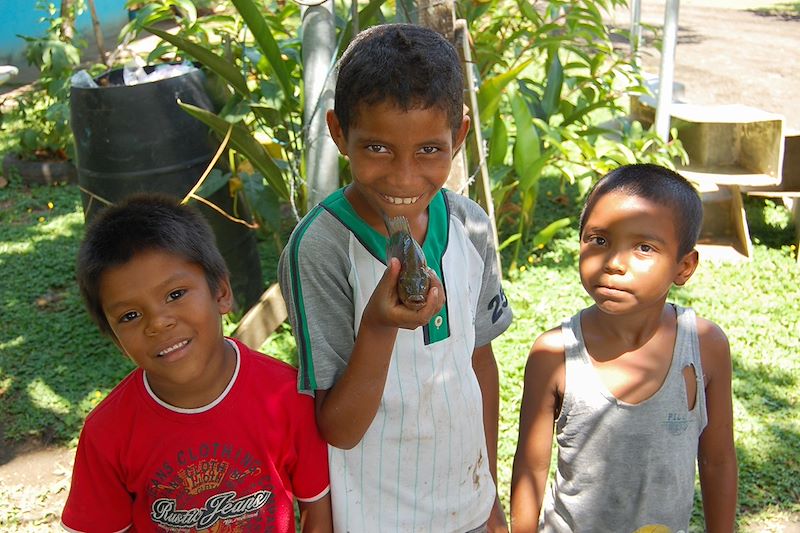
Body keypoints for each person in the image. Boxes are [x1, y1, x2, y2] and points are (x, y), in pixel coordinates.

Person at [278, 23, 513, 533]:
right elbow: (337, 428)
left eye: (430, 149)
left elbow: (479, 363)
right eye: (378, 148)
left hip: (466, 506)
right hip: (374, 516)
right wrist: (380, 328)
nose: (405, 177)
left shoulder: (470, 225)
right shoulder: (320, 248)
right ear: (339, 132)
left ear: (461, 135)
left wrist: (488, 492)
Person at [61, 194, 332, 533]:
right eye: (130, 315)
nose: (157, 323)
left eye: (175, 294)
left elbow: (318, 512)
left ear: (220, 292)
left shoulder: (288, 397)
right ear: (117, 340)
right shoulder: (107, 434)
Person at [510, 163, 738, 532]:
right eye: (599, 240)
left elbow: (718, 460)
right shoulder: (553, 354)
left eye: (644, 247)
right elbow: (531, 467)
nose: (614, 263)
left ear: (684, 267)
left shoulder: (704, 348)